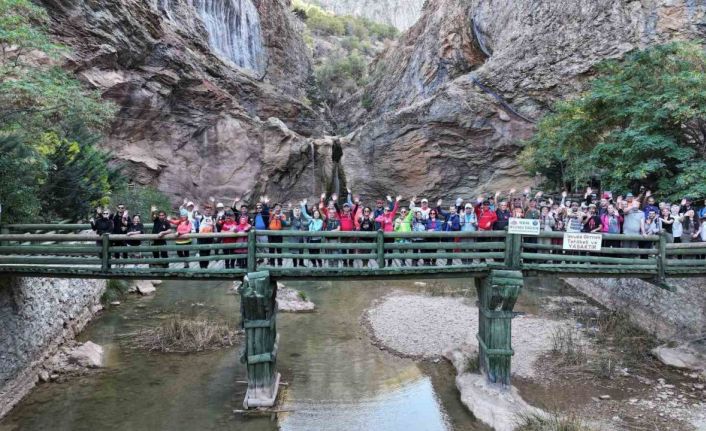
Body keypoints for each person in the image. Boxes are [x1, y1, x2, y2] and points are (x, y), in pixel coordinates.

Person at [375, 196, 401, 266]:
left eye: (388, 210)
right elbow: (376, 219)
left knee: (390, 250)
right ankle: (383, 263)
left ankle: (390, 263)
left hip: (391, 235)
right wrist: (382, 219)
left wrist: (397, 201)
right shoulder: (382, 216)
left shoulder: (391, 215)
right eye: (386, 210)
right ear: (384, 210)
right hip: (384, 235)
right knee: (383, 250)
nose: (387, 211)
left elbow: (395, 209)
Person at [301, 200, 324, 268]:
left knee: (317, 252)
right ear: (313, 214)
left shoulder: (320, 221)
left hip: (317, 239)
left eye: (317, 214)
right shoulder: (310, 219)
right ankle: (314, 263)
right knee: (311, 252)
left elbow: (318, 229)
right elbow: (304, 213)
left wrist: (312, 226)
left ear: (319, 215)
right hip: (310, 239)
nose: (316, 215)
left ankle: (320, 262)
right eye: (315, 214)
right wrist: (303, 205)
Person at [437, 199, 460, 266]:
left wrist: (451, 225)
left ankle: (449, 262)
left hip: (451, 236)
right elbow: (440, 212)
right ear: (449, 210)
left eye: (453, 209)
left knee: (450, 249)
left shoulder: (456, 217)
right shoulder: (448, 214)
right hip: (445, 235)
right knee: (446, 249)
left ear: (455, 210)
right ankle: (448, 261)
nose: (452, 210)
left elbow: (457, 228)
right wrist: (438, 206)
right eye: (451, 209)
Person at [196, 205, 217, 269]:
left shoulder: (213, 218)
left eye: (209, 210)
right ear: (204, 211)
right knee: (202, 252)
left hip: (209, 237)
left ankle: (206, 266)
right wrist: (195, 210)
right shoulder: (201, 217)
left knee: (208, 252)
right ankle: (202, 267)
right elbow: (193, 216)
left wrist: (215, 235)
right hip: (201, 237)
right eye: (206, 210)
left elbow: (214, 227)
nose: (208, 212)